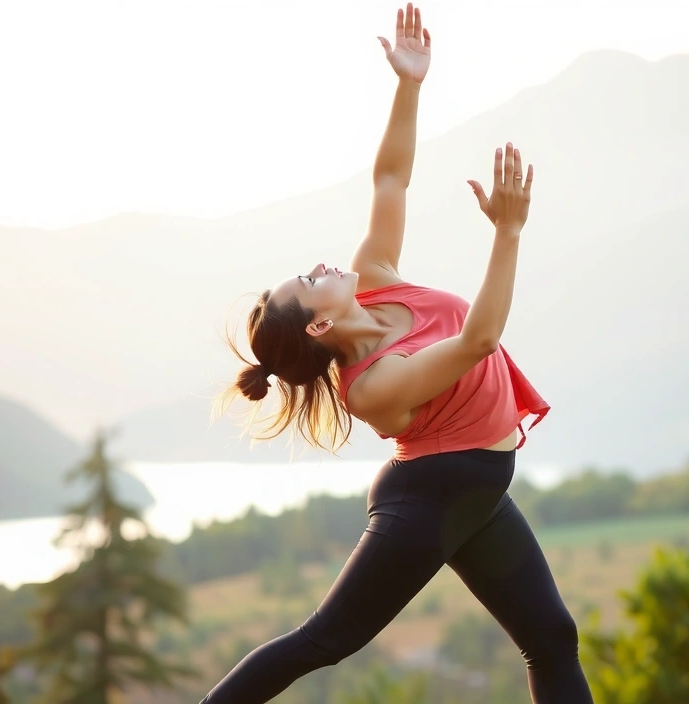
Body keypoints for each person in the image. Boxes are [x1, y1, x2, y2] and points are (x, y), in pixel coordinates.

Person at [202, 4, 594, 702]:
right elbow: (478, 340)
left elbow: (391, 180)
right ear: (319, 329)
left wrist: (409, 83)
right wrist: (507, 234)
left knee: (552, 639)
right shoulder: (371, 387)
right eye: (311, 281)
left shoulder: (376, 278)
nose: (323, 267)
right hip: (433, 497)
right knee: (322, 641)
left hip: (476, 489)